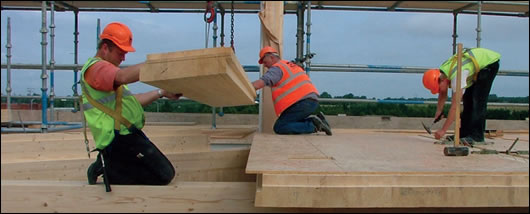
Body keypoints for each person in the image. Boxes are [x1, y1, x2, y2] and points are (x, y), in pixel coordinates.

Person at [81, 22, 182, 187]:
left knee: (163, 172)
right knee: (163, 175)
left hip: (128, 135)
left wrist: (161, 92)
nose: (123, 58)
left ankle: (110, 165)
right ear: (105, 48)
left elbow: (133, 101)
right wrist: (160, 63)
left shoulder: (109, 74)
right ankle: (109, 168)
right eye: (120, 53)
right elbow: (123, 77)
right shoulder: (96, 69)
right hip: (116, 139)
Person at [422, 47, 500, 145]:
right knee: (468, 99)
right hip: (478, 65)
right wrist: (439, 110)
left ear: (440, 81)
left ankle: (477, 136)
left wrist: (443, 130)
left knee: (477, 100)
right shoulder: (443, 71)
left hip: (488, 64)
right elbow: (443, 93)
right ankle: (464, 134)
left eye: (438, 89)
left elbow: (455, 107)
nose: (440, 92)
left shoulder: (456, 77)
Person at [252, 46, 332, 135]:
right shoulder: (288, 65)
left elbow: (263, 81)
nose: (264, 64)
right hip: (309, 101)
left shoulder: (277, 68)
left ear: (271, 57)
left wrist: (247, 88)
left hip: (302, 103)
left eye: (264, 61)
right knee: (289, 122)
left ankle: (314, 125)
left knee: (280, 127)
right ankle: (318, 120)